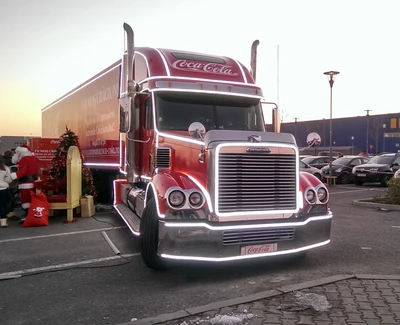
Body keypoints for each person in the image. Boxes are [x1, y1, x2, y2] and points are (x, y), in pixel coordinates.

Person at [10, 145, 40, 221]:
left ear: (20, 152)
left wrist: (12, 176)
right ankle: (32, 215)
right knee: (31, 199)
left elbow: (22, 171)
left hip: (25, 183)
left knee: (25, 200)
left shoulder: (24, 159)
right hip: (34, 182)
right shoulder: (34, 158)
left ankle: (28, 216)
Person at [3, 150, 18, 219]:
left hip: (4, 186)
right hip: (5, 186)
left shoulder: (5, 163)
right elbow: (8, 178)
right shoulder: (7, 166)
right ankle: (9, 213)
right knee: (11, 199)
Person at [0, 155, 12, 227]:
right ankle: (3, 222)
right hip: (3, 189)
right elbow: (8, 180)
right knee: (3, 205)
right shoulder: (5, 168)